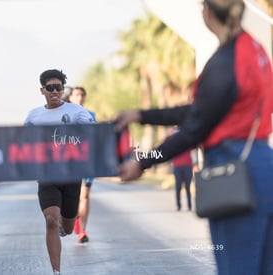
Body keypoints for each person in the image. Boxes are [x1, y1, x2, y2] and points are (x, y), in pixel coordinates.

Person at [114, 0, 273, 274]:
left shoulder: (226, 61)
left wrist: (142, 163)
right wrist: (141, 115)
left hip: (233, 170)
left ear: (208, 12)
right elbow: (202, 110)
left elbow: (194, 128)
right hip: (262, 165)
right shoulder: (254, 50)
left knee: (238, 267)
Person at [24, 69, 95, 275]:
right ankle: (56, 271)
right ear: (42, 90)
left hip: (72, 175)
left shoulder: (77, 112)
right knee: (51, 220)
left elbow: (92, 134)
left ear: (63, 89)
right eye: (50, 88)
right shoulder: (33, 115)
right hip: (47, 175)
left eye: (58, 87)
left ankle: (67, 226)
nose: (54, 91)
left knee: (69, 227)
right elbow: (21, 142)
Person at [65, 86, 97, 243]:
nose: (80, 97)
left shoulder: (91, 115)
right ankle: (76, 217)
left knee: (85, 195)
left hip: (87, 161)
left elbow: (95, 137)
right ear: (70, 97)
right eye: (77, 94)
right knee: (74, 196)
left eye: (82, 95)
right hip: (70, 162)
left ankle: (83, 231)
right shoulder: (63, 116)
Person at [168, 128, 196, 211]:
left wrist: (195, 164)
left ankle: (189, 205)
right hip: (177, 166)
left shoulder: (188, 139)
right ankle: (178, 205)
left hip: (188, 165)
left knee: (188, 187)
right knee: (178, 187)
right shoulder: (173, 141)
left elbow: (194, 150)